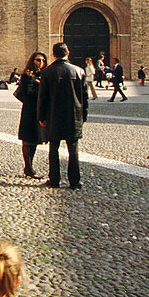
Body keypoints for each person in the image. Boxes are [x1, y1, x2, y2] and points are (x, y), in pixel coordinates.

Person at [37, 42, 88, 189]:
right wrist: (83, 116)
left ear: (53, 54)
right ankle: (74, 181)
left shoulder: (47, 72)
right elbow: (84, 97)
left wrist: (41, 116)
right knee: (73, 150)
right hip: (74, 115)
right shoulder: (79, 71)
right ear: (68, 53)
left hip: (53, 116)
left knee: (53, 149)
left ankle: (54, 180)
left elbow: (43, 97)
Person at [15, 52, 48, 179]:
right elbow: (28, 94)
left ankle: (29, 167)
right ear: (32, 60)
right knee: (28, 140)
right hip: (29, 111)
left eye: (43, 60)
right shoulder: (27, 75)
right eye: (38, 60)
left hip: (39, 111)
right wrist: (41, 87)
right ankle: (28, 168)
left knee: (34, 140)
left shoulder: (42, 75)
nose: (41, 62)